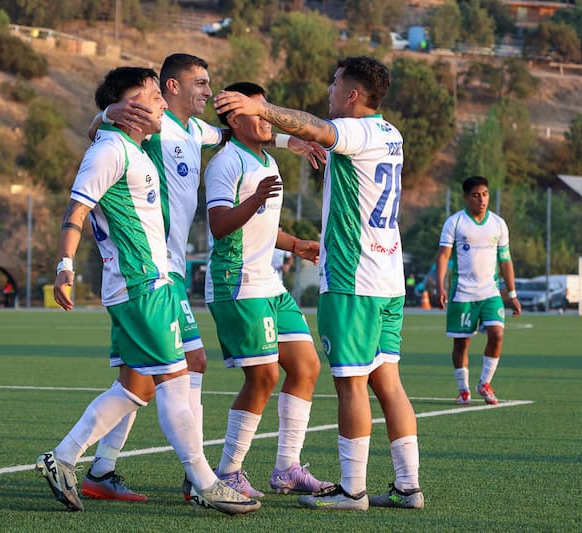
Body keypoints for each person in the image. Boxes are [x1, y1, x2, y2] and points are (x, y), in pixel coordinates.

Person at [85, 54, 324, 500]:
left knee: (140, 376)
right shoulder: (152, 127)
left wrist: (290, 138)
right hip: (148, 268)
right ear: (171, 87)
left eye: (211, 83)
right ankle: (202, 479)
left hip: (168, 268)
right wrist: (104, 115)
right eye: (200, 82)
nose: (208, 92)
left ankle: (103, 471)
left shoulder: (197, 132)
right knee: (180, 367)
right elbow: (102, 137)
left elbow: (239, 130)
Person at [35, 66, 260, 516]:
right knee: (176, 380)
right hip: (142, 285)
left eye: (160, 93)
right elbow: (76, 209)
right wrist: (64, 268)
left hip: (149, 282)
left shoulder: (138, 147)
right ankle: (204, 482)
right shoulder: (111, 150)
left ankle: (64, 459)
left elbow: (221, 134)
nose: (160, 101)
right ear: (129, 107)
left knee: (136, 386)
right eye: (152, 95)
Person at [214, 56, 424, 511]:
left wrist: (261, 106)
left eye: (334, 84)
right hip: (389, 279)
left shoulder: (357, 131)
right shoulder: (391, 134)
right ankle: (409, 487)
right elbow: (314, 137)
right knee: (388, 381)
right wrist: (286, 136)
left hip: (353, 280)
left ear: (352, 95)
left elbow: (316, 128)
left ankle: (353, 491)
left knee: (350, 384)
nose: (329, 91)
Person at [205, 81, 332, 498]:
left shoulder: (267, 161)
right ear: (233, 118)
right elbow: (221, 226)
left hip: (269, 283)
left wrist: (296, 244)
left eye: (267, 112)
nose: (266, 119)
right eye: (256, 113)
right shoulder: (226, 163)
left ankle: (287, 469)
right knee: (263, 376)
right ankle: (228, 471)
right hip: (236, 282)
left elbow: (262, 226)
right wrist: (256, 197)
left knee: (307, 367)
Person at [434, 176, 521, 407]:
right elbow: (443, 256)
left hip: (490, 292)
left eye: (485, 194)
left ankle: (484, 382)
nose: (482, 199)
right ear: (466, 198)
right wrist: (440, 285)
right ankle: (463, 390)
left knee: (497, 334)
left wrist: (512, 294)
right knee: (461, 344)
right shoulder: (455, 223)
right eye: (476, 195)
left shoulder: (498, 224)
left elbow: (505, 260)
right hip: (462, 294)